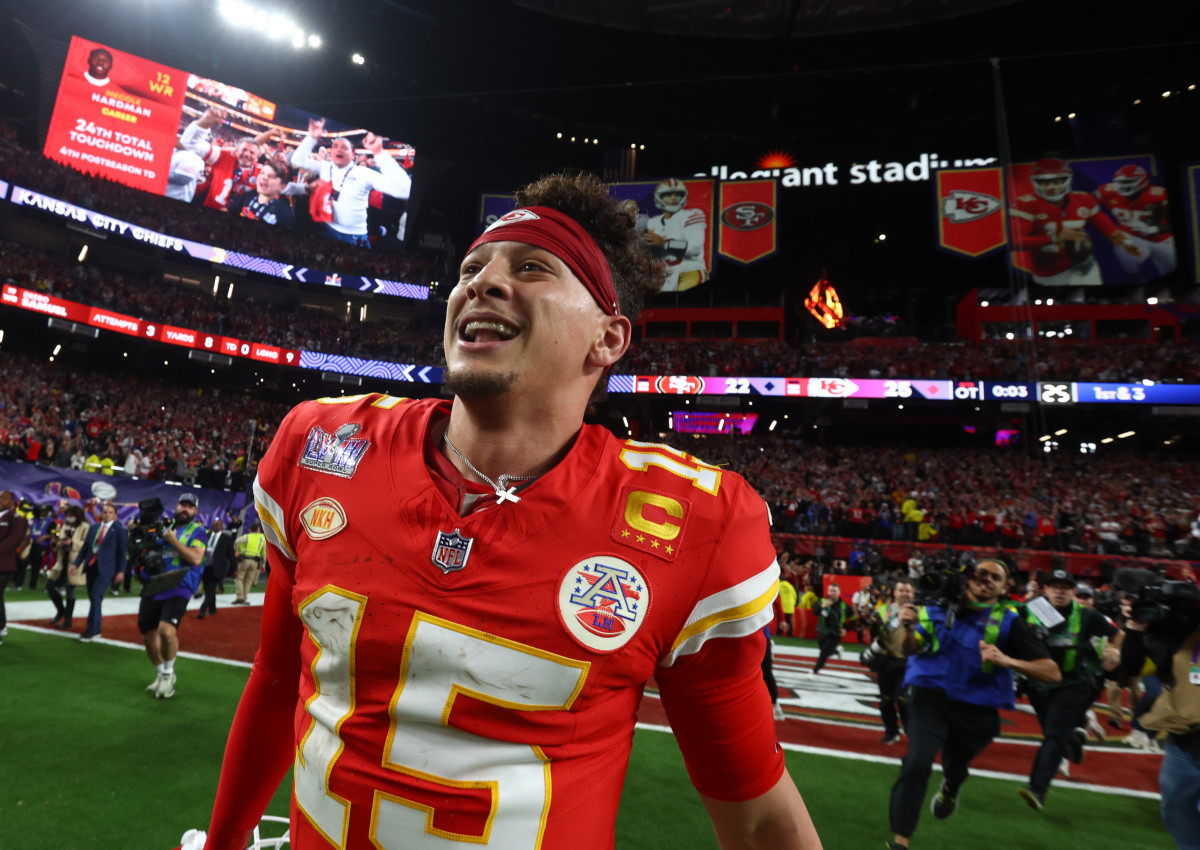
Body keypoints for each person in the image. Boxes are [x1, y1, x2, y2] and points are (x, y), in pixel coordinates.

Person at [191, 173, 821, 849]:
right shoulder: (322, 445)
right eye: (472, 267)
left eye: (531, 268)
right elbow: (280, 674)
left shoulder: (694, 522)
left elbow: (755, 815)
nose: (482, 282)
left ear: (608, 339)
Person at [885, 555, 1059, 849]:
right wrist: (908, 628)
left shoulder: (1009, 619)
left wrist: (1007, 660)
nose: (986, 579)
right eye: (981, 573)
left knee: (956, 764)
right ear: (967, 577)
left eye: (995, 577)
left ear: (1004, 588)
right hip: (929, 693)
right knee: (917, 760)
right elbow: (909, 649)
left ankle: (951, 787)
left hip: (977, 705)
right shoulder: (936, 607)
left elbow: (1051, 672)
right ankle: (901, 840)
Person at [1016, 568, 1122, 810]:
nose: (1059, 591)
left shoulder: (1088, 616)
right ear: (1046, 589)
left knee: (1053, 734)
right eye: (1054, 586)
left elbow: (1119, 634)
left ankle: (1037, 790)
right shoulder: (1028, 610)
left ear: (1073, 591)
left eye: (1065, 587)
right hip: (1039, 684)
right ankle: (1075, 740)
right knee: (1054, 731)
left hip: (1074, 684)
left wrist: (1115, 652)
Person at [1119, 575, 1200, 848]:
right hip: (1183, 743)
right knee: (1175, 809)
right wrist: (1136, 626)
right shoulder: (1171, 639)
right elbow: (1132, 667)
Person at [1010, 158, 1143, 286]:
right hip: (1049, 272)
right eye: (1045, 182)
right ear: (1036, 183)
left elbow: (1109, 229)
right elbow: (1015, 242)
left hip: (1085, 265)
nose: (1051, 187)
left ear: (1068, 179)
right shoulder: (1025, 204)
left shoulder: (1083, 199)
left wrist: (1126, 243)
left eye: (1057, 181)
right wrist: (1055, 238)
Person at [289, 117, 411, 247]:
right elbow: (297, 161)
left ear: (353, 155)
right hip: (325, 229)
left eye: (344, 147)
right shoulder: (325, 166)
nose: (339, 149)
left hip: (353, 237)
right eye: (335, 146)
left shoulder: (363, 173)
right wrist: (311, 138)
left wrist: (379, 152)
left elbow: (404, 190)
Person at [139, 494, 207, 698]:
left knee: (166, 632)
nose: (184, 509)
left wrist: (173, 541)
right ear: (176, 507)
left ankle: (168, 675)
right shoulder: (162, 526)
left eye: (189, 507)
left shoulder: (198, 531)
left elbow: (196, 558)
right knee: (148, 636)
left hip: (180, 583)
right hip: (155, 583)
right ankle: (162, 674)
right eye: (182, 505)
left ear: (195, 512)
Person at [178, 106, 276, 212]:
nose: (247, 154)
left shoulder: (261, 173)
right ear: (236, 151)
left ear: (257, 158)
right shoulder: (225, 157)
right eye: (243, 150)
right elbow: (190, 144)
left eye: (252, 153)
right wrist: (205, 122)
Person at [1094, 163, 1176, 280]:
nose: (1122, 186)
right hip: (1133, 236)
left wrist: (1154, 229)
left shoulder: (1158, 195)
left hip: (1162, 239)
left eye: (1128, 182)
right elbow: (1087, 202)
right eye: (1120, 182)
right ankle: (1136, 278)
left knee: (1170, 271)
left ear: (1142, 182)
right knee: (1125, 251)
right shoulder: (1108, 191)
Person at [72, 501, 127, 642]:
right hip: (91, 566)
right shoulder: (94, 527)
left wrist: (121, 571)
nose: (107, 515)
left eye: (110, 512)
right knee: (94, 598)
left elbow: (122, 553)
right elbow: (85, 548)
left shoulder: (119, 530)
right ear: (101, 513)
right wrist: (76, 564)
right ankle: (94, 628)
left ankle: (93, 630)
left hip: (107, 569)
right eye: (105, 512)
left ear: (115, 515)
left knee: (96, 596)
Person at [643, 178, 709, 292]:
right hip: (665, 275)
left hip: (690, 271)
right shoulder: (652, 222)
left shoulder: (692, 215)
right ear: (660, 197)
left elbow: (695, 248)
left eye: (677, 194)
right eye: (668, 195)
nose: (673, 198)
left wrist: (664, 243)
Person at [874, 577, 915, 745]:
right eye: (901, 590)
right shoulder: (883, 610)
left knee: (904, 701)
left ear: (914, 593)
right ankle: (891, 732)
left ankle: (911, 733)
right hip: (886, 661)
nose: (904, 593)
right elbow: (877, 632)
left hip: (910, 663)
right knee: (886, 701)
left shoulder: (921, 611)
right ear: (894, 592)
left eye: (908, 590)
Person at [46, 505, 90, 630]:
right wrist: (56, 543)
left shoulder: (85, 527)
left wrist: (72, 543)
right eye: (67, 515)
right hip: (62, 560)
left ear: (78, 516)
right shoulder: (65, 526)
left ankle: (68, 619)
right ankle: (61, 611)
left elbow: (88, 544)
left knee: (70, 591)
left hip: (74, 562)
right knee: (50, 586)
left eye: (71, 515)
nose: (68, 518)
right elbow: (60, 541)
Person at [0, 491, 30, 647]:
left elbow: (13, 541)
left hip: (4, 565)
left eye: (4, 499)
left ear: (13, 502)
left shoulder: (17, 519)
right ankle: (2, 625)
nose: (0, 501)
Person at [230, 161, 294, 228]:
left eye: (272, 176)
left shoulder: (284, 214)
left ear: (282, 187)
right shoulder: (249, 195)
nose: (264, 177)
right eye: (262, 173)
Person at [198, 518, 234, 619]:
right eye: (215, 524)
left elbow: (231, 555)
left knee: (211, 589)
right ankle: (213, 609)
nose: (217, 526)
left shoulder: (227, 538)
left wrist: (234, 569)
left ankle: (202, 609)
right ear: (212, 525)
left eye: (219, 525)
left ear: (222, 526)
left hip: (218, 568)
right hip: (205, 567)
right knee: (209, 589)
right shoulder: (207, 535)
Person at [809, 581, 848, 676]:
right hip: (823, 630)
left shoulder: (843, 605)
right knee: (824, 651)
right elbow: (815, 613)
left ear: (839, 592)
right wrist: (822, 606)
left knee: (823, 653)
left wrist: (846, 629)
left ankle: (814, 671)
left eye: (834, 591)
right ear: (827, 591)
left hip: (835, 633)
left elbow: (853, 618)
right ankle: (837, 651)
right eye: (830, 591)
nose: (832, 593)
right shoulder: (822, 601)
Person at [230, 522, 265, 605]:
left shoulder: (247, 537)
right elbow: (264, 553)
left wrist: (236, 550)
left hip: (245, 559)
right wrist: (263, 564)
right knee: (248, 581)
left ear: (250, 530)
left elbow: (237, 541)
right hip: (255, 562)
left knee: (239, 578)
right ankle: (244, 598)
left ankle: (240, 597)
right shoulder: (261, 539)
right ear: (258, 531)